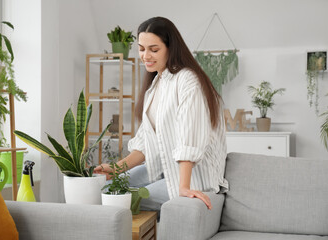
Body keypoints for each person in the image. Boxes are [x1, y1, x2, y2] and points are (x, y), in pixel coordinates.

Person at [94, 16, 228, 212]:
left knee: (121, 199)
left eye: (154, 50)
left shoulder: (187, 80)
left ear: (170, 48)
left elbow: (189, 139)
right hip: (165, 167)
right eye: (141, 49)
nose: (145, 56)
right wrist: (116, 169)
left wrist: (183, 187)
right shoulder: (156, 85)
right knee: (108, 189)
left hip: (194, 175)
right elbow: (146, 143)